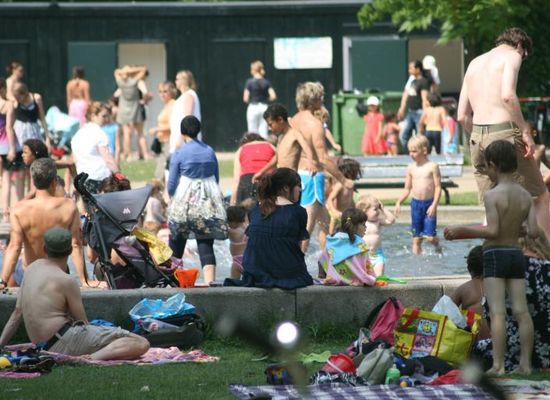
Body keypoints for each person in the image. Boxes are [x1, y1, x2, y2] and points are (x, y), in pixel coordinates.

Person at [445, 140, 537, 375]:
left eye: (486, 167)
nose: (486, 172)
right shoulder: (525, 195)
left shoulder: (492, 195)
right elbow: (534, 231)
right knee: (521, 311)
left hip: (495, 255)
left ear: (494, 165)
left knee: (497, 313)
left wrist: (462, 231)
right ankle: (525, 365)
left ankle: (498, 365)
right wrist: (517, 228)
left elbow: (493, 230)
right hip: (516, 255)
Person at [0, 227, 149, 360]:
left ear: (45, 248)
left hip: (44, 344)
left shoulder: (32, 268)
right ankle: (90, 359)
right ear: (70, 250)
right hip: (64, 341)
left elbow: (17, 314)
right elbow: (83, 323)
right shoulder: (66, 280)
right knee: (141, 342)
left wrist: (1, 344)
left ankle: (91, 355)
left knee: (109, 334)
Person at [457, 27, 550, 240]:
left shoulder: (474, 63)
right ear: (520, 46)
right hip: (504, 132)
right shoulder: (513, 55)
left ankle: (492, 253)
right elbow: (507, 95)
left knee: (492, 201)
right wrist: (525, 131)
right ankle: (543, 252)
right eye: (524, 55)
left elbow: (462, 116)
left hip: (477, 136)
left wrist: (481, 137)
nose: (522, 59)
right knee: (539, 196)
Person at [0, 158, 92, 289]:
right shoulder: (68, 206)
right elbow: (76, 245)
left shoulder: (19, 209)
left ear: (33, 181)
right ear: (54, 181)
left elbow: (14, 247)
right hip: (58, 273)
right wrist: (84, 280)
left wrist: (2, 281)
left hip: (31, 274)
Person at [290, 82, 355, 252]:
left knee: (324, 223)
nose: (322, 100)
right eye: (321, 97)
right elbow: (323, 158)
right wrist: (343, 180)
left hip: (296, 175)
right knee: (307, 227)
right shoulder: (315, 124)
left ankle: (327, 262)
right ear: (314, 100)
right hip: (312, 178)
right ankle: (297, 264)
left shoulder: (293, 120)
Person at [224, 168, 313, 289]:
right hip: (287, 275)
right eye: (298, 186)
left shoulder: (255, 210)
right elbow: (294, 249)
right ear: (286, 188)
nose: (300, 190)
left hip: (255, 274)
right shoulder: (298, 212)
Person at [167, 116, 227, 284]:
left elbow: (171, 185)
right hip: (207, 200)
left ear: (182, 132)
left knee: (177, 243)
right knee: (206, 243)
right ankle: (210, 283)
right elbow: (216, 178)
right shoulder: (209, 151)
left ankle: (173, 283)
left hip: (185, 201)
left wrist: (172, 199)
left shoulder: (179, 153)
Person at [394, 135, 442, 255]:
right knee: (416, 238)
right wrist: (399, 202)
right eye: (409, 151)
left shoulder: (432, 166)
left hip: (429, 204)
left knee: (430, 237)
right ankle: (416, 262)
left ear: (424, 150)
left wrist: (434, 205)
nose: (411, 154)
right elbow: (407, 189)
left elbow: (438, 187)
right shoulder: (410, 168)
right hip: (416, 205)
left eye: (414, 151)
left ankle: (437, 245)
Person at [71, 102, 120, 196]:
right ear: (93, 116)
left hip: (83, 181)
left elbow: (74, 161)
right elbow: (108, 159)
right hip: (100, 179)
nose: (107, 119)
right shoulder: (99, 133)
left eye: (107, 116)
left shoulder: (77, 135)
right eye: (103, 116)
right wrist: (118, 174)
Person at [319, 208, 376, 286]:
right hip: (357, 280)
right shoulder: (360, 244)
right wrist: (373, 278)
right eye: (363, 224)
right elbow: (367, 265)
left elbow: (322, 259)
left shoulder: (333, 241)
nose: (366, 227)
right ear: (354, 226)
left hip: (334, 279)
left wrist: (323, 276)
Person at [450, 245, 491, 340]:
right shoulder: (499, 287)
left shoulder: (464, 288)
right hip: (498, 342)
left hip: (474, 343)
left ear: (469, 268)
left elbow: (445, 311)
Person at [262, 103, 314, 172]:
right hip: (280, 175)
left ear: (280, 120)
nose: (269, 128)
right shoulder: (280, 138)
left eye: (270, 125)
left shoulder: (295, 133)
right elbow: (277, 158)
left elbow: (307, 148)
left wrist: (311, 163)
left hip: (291, 176)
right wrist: (261, 172)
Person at [230, 132, 276, 206]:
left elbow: (236, 181)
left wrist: (232, 205)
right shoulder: (270, 146)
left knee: (245, 211)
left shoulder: (241, 149)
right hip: (267, 180)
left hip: (246, 181)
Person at [0, 78, 24, 222]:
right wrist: (12, 149)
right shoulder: (8, 104)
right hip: (8, 146)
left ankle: (5, 215)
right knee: (16, 180)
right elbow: (9, 127)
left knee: (5, 182)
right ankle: (18, 212)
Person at [114, 65, 149, 161]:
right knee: (140, 133)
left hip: (123, 109)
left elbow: (116, 72)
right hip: (135, 108)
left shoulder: (121, 82)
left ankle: (128, 155)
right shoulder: (135, 81)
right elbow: (143, 70)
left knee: (126, 133)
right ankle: (145, 154)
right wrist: (132, 70)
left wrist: (125, 71)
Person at [357, 195, 396, 276]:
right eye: (375, 209)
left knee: (379, 277)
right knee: (364, 277)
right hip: (363, 255)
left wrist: (383, 209)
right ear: (364, 210)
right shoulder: (360, 222)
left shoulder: (378, 221)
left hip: (377, 255)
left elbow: (391, 220)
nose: (378, 211)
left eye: (379, 208)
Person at [398, 60, 430, 150]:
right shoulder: (412, 81)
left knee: (420, 137)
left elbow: (424, 99)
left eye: (411, 68)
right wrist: (402, 108)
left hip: (419, 112)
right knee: (403, 136)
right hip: (410, 112)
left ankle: (421, 154)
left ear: (418, 69)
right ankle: (410, 153)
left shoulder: (423, 82)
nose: (409, 70)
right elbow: (406, 94)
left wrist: (424, 115)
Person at [326, 158, 362, 235]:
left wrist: (355, 209)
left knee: (352, 232)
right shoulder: (340, 185)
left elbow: (350, 200)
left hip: (347, 214)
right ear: (349, 172)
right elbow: (330, 199)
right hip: (337, 215)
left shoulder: (350, 185)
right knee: (332, 234)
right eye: (356, 171)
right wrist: (334, 211)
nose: (357, 174)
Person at [169, 70, 202, 154]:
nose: (175, 81)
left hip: (185, 141)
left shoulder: (189, 95)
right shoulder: (184, 96)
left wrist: (181, 138)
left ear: (184, 80)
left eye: (177, 79)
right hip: (180, 139)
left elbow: (188, 119)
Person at [149, 81, 176, 180]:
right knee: (161, 173)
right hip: (163, 143)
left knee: (161, 174)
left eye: (165, 91)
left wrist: (157, 129)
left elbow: (174, 125)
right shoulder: (167, 105)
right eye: (160, 92)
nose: (162, 94)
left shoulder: (173, 105)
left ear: (172, 91)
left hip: (169, 142)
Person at [243, 60, 277, 139]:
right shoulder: (266, 82)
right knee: (264, 131)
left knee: (252, 132)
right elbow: (273, 96)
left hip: (253, 107)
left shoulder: (249, 82)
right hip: (264, 107)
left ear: (253, 70)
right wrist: (266, 100)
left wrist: (251, 101)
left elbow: (245, 98)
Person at [226, 205, 247, 279]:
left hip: (237, 262)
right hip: (248, 260)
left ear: (233, 221)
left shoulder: (233, 232)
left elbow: (221, 230)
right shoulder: (246, 228)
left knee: (234, 281)